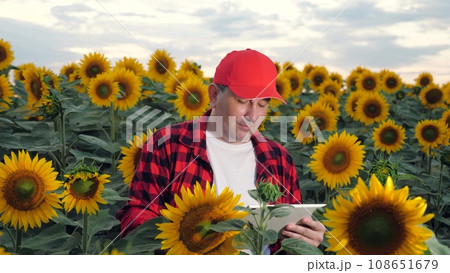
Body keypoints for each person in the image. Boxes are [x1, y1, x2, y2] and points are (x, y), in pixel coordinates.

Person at [116, 48, 326, 253]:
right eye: (242, 101)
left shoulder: (279, 159)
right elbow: (136, 214)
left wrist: (303, 241)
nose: (252, 115)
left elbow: (284, 239)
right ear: (215, 95)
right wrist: (180, 236)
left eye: (262, 104)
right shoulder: (168, 145)